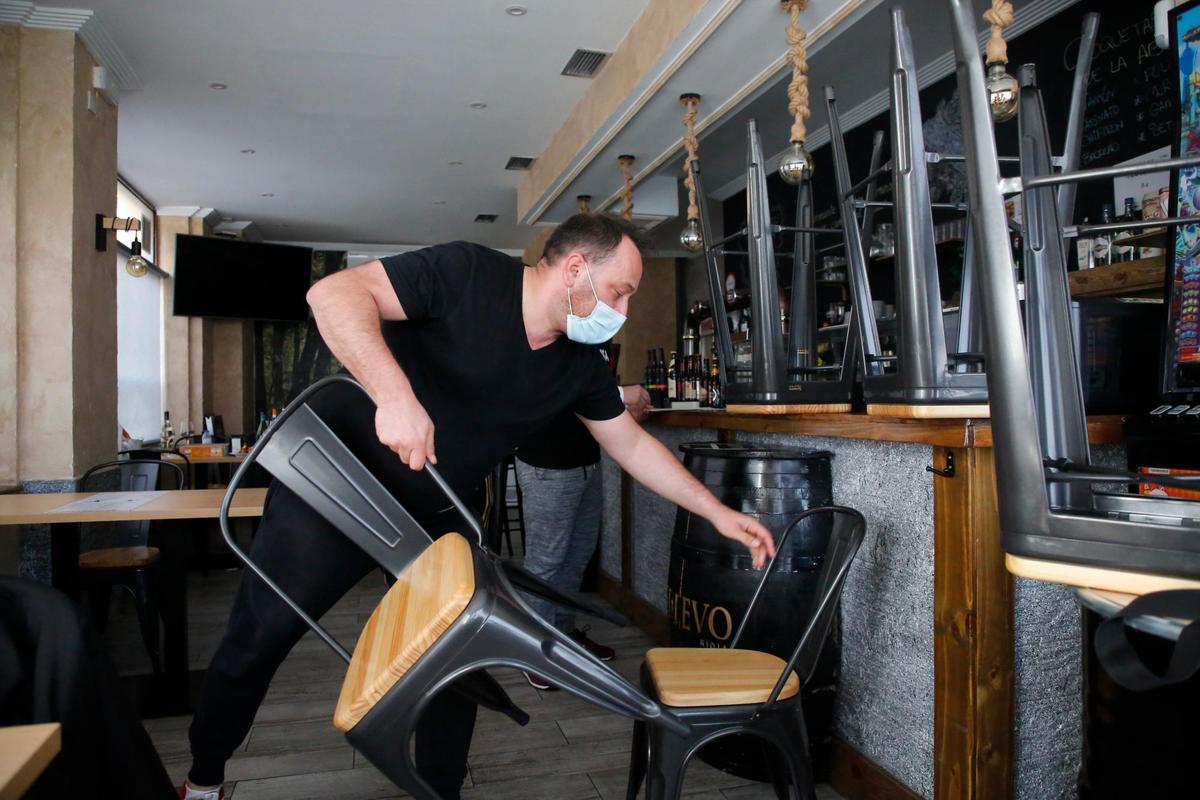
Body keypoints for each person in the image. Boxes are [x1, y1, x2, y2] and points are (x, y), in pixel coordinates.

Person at [179, 213, 776, 800]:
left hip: (438, 513)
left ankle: (441, 789)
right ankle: (204, 778)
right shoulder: (466, 272)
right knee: (259, 638)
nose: (620, 312)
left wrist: (716, 512)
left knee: (455, 655)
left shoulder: (578, 366)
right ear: (575, 269)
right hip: (339, 486)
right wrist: (395, 398)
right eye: (619, 292)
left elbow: (631, 445)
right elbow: (334, 294)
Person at [514, 380, 652, 690]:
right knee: (545, 562)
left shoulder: (595, 340)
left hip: (587, 460)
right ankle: (531, 650)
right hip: (546, 462)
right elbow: (551, 388)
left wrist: (620, 410)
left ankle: (563, 635)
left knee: (577, 557)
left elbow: (586, 399)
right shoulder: (549, 332)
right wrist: (619, 394)